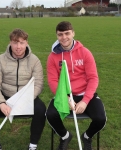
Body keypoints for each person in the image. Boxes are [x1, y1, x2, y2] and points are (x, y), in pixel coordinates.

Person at [0, 28, 46, 150]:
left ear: (27, 43)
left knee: (41, 109)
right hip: (5, 96)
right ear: (10, 43)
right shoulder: (0, 60)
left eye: (22, 42)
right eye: (15, 42)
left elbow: (38, 84)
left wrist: (25, 99)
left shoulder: (34, 60)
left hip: (26, 97)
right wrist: (1, 103)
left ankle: (33, 145)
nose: (18, 46)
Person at [46, 21, 107, 150]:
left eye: (67, 33)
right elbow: (52, 81)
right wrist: (66, 98)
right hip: (65, 95)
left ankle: (87, 136)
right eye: (60, 34)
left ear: (73, 33)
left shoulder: (85, 52)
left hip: (85, 95)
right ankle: (65, 136)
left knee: (100, 119)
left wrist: (85, 101)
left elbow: (93, 78)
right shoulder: (53, 57)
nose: (64, 37)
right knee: (50, 115)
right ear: (57, 36)